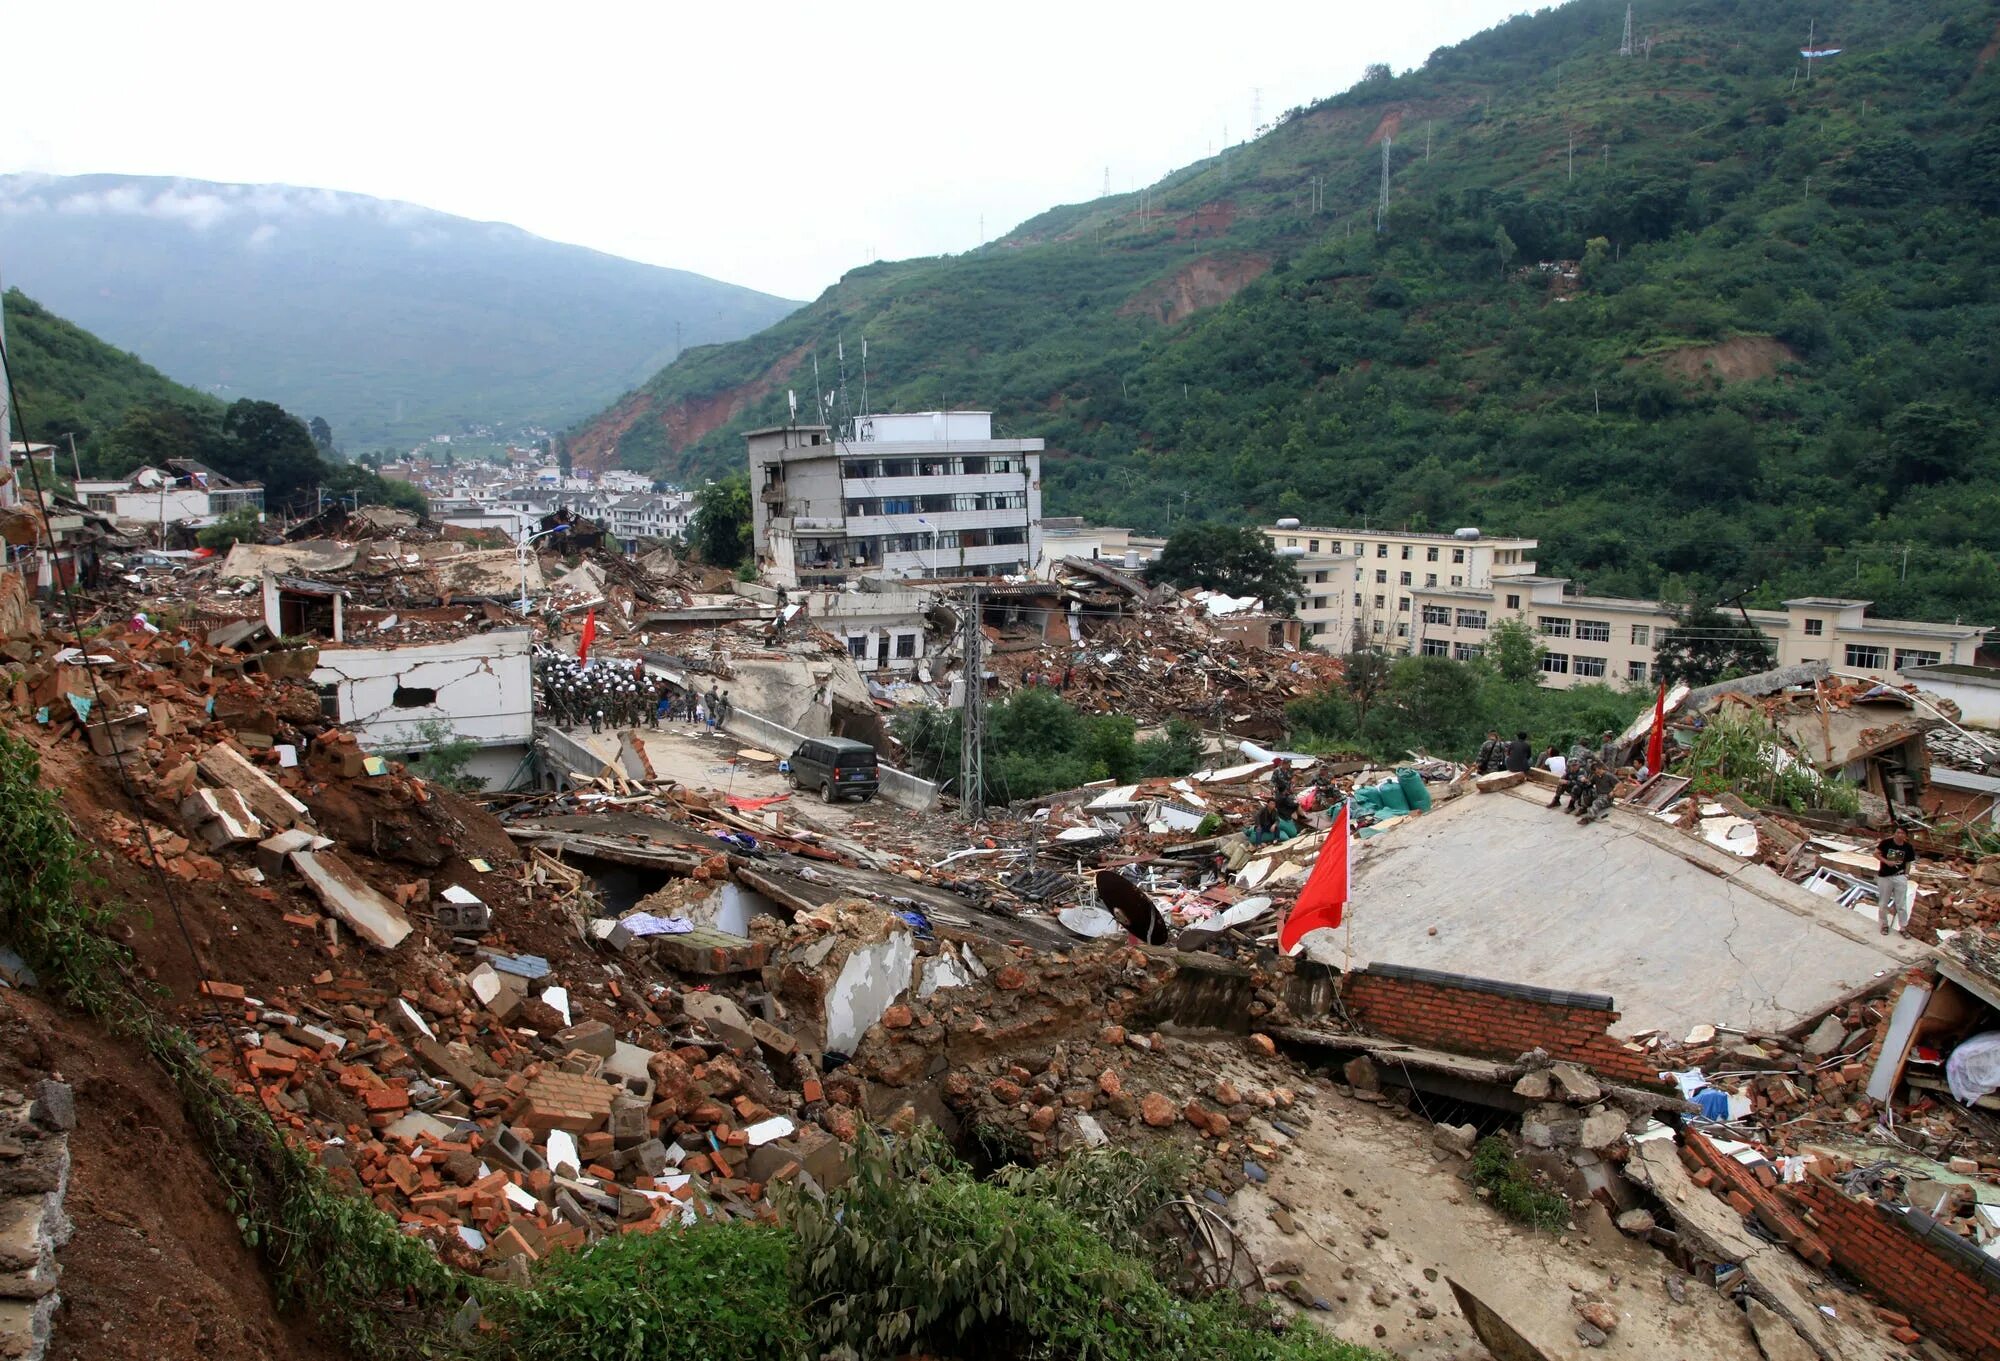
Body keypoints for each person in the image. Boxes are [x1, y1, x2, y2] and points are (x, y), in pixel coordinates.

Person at [1877, 824, 1920, 936]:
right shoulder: (1886, 843)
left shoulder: (1908, 847)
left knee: (1901, 904)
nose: (1899, 835)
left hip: (1900, 876)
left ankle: (1903, 927)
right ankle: (1884, 925)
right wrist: (1886, 862)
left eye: (1901, 833)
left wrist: (1906, 875)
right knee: (1883, 903)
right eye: (1897, 832)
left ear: (1905, 835)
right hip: (1885, 876)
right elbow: (1875, 853)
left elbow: (1908, 862)